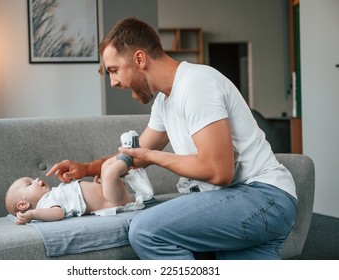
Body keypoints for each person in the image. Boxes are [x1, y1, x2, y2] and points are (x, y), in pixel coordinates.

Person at [46, 17, 297, 260]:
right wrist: (87, 168)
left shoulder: (196, 84)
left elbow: (219, 171)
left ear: (140, 59)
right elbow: (137, 153)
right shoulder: (165, 102)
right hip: (241, 201)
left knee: (145, 231)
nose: (113, 82)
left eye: (114, 70)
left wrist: (152, 157)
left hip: (262, 196)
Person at [6, 130, 153, 224]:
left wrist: (98, 185)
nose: (37, 179)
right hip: (111, 201)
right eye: (30, 184)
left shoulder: (52, 195)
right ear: (23, 205)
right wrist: (33, 214)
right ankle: (129, 154)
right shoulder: (45, 205)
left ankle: (129, 153)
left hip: (107, 193)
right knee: (109, 174)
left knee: (105, 168)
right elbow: (58, 213)